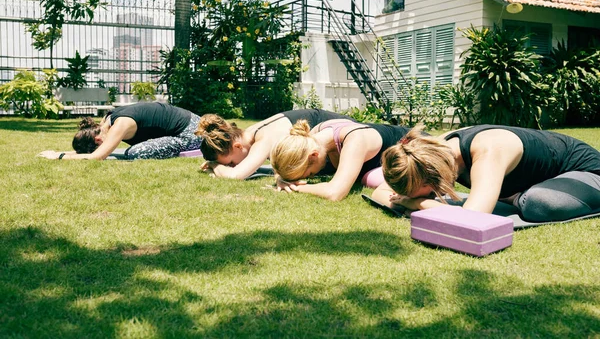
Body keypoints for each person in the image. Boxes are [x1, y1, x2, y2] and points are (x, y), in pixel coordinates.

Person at [372, 124, 600, 222]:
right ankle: (511, 195)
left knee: (538, 203)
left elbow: (471, 218)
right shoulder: (432, 152)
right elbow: (378, 193)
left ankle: (514, 196)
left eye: (423, 192)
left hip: (586, 172)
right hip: (543, 177)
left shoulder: (487, 151)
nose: (418, 196)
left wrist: (417, 205)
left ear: (435, 175)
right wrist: (407, 198)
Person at [270, 118, 411, 201]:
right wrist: (280, 179)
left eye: (310, 174)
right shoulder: (311, 138)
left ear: (313, 155)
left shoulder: (355, 140)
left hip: (414, 146)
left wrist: (296, 187)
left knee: (373, 180)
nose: (310, 177)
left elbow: (335, 193)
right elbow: (286, 163)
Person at [195, 109, 353, 180]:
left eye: (231, 162)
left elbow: (235, 176)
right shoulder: (251, 132)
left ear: (237, 146)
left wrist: (215, 166)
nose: (233, 166)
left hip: (344, 142)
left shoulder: (263, 140)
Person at [38, 102, 203, 160]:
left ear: (97, 141)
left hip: (194, 134)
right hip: (194, 125)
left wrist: (59, 157)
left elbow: (96, 157)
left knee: (137, 152)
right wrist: (64, 152)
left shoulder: (120, 124)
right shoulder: (106, 122)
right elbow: (96, 151)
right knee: (131, 151)